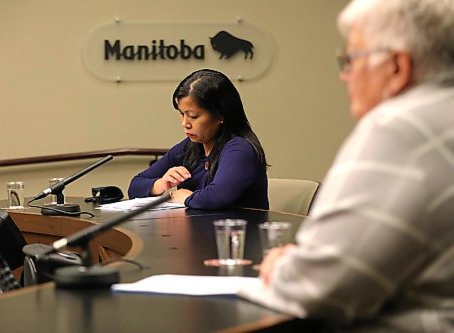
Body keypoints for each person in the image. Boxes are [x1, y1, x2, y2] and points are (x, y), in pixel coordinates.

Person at [240, 0, 454, 331]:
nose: (344, 76)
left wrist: (286, 266)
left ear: (397, 67)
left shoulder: (399, 127)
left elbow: (318, 288)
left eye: (351, 60)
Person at [128, 69, 269, 210]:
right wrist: (161, 183)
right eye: (181, 114)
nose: (185, 123)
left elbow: (217, 196)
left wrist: (187, 198)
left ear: (221, 115)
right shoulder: (189, 147)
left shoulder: (239, 149)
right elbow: (135, 186)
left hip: (237, 231)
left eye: (193, 116)